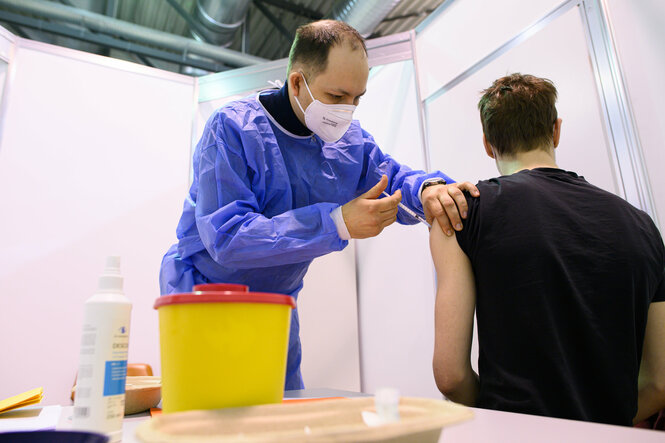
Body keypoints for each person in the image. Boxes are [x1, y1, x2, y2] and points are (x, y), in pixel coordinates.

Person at [159, 20, 478, 390]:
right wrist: (337, 223)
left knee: (280, 417)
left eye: (357, 99)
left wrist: (427, 189)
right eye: (338, 97)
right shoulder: (232, 130)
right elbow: (228, 237)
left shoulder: (347, 142)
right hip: (206, 299)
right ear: (297, 83)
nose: (348, 110)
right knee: (207, 419)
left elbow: (389, 175)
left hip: (276, 308)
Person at [429, 73, 665, 426]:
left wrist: (503, 416)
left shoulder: (462, 212)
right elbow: (659, 383)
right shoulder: (642, 225)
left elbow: (451, 375)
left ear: (488, 143)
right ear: (556, 130)